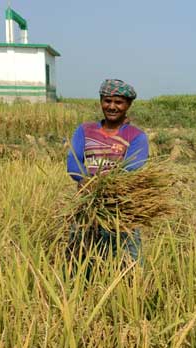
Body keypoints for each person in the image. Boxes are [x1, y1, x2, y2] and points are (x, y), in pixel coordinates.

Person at [66, 79, 149, 262]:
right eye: (107, 101)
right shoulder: (85, 130)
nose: (112, 106)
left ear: (128, 105)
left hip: (122, 209)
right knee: (79, 259)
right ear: (101, 101)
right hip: (87, 206)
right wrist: (83, 179)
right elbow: (73, 159)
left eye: (118, 102)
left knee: (128, 262)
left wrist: (102, 185)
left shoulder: (136, 136)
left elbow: (132, 167)